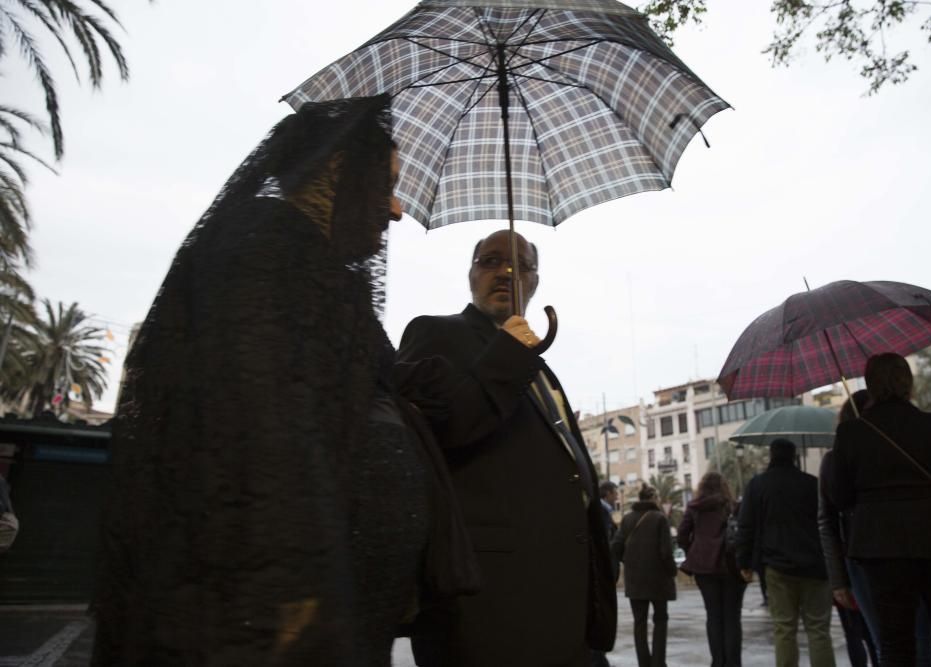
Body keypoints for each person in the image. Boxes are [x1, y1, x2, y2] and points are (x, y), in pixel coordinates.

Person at [92, 95, 478, 666]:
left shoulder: (323, 278)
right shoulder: (260, 259)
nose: (397, 209)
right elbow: (257, 441)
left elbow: (375, 389)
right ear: (335, 172)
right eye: (387, 182)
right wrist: (292, 595)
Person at [397, 229, 616, 667]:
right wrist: (510, 354)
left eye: (522, 265)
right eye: (490, 261)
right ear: (470, 276)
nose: (506, 272)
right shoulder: (435, 334)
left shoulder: (538, 365)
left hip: (562, 605)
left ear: (535, 282)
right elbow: (442, 427)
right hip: (490, 609)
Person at [828, 353, 931, 666]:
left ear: (871, 386)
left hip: (883, 553)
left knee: (896, 646)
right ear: (909, 383)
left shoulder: (851, 434)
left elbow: (841, 499)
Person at [736, 438, 835, 667]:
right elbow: (829, 522)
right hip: (816, 566)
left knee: (784, 629)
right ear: (794, 456)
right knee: (819, 629)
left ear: (772, 455)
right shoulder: (812, 484)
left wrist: (744, 562)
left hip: (777, 566)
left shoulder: (758, 485)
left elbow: (746, 526)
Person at [817, 391, 879, 667]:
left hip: (860, 556)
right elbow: (828, 521)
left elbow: (827, 523)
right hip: (866, 557)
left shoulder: (834, 459)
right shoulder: (836, 460)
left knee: (880, 640)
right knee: (912, 642)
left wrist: (838, 580)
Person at [677, 472, 746, 667]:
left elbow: (682, 535)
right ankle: (733, 663)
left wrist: (695, 550)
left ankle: (718, 661)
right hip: (731, 567)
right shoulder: (732, 506)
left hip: (704, 570)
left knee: (713, 616)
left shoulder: (694, 508)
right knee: (732, 617)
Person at [611, 485, 677, 667]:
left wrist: (630, 562)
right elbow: (666, 552)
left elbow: (616, 547)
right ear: (654, 498)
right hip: (658, 580)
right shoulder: (660, 519)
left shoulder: (627, 520)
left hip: (635, 580)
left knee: (639, 622)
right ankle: (658, 662)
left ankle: (644, 663)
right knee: (660, 620)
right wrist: (672, 571)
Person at [592, 481, 620, 667]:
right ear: (607, 493)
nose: (617, 496)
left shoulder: (602, 510)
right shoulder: (602, 511)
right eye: (615, 492)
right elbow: (603, 542)